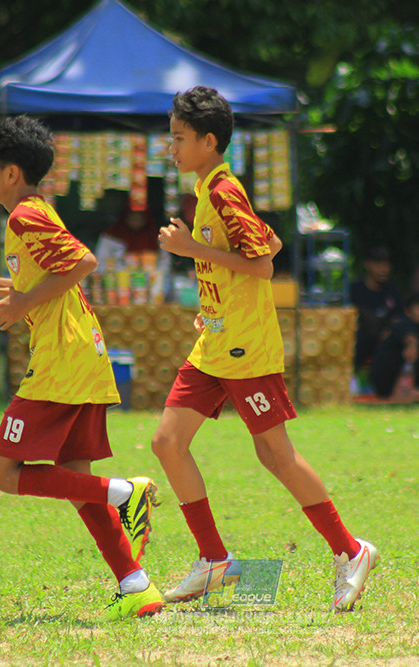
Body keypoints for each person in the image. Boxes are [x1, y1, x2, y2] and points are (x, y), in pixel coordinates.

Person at [152, 86, 377, 611]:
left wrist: (190, 249)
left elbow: (263, 265)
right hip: (216, 341)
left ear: (209, 142)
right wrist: (212, 294)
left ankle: (351, 551)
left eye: (179, 138)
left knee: (275, 454)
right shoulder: (213, 190)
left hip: (246, 347)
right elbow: (268, 240)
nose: (172, 148)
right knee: (168, 441)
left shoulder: (224, 191)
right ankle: (214, 560)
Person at [0, 115, 163, 621]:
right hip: (80, 354)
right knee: (72, 477)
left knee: (2, 472)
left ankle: (124, 492)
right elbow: (51, 283)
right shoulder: (33, 212)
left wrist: (19, 305)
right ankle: (136, 585)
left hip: (62, 361)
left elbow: (83, 264)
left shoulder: (24, 215)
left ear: (11, 172)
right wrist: (1, 290)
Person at [368, 292, 419, 399]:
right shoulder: (402, 325)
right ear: (408, 311)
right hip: (389, 378)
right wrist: (412, 345)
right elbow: (409, 337)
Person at [350, 246, 403, 374]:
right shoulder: (354, 290)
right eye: (378, 265)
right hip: (360, 340)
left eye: (386, 265)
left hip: (385, 341)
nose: (383, 270)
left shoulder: (392, 291)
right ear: (368, 265)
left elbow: (399, 317)